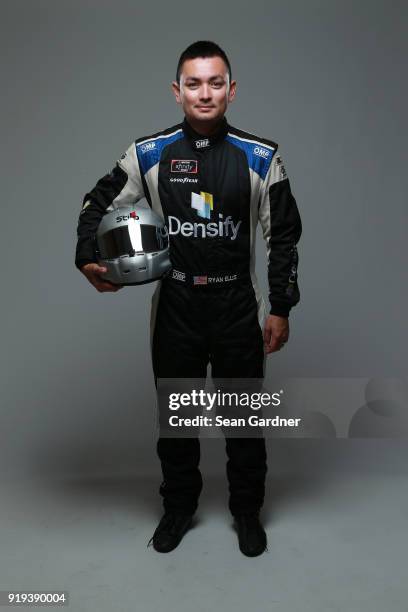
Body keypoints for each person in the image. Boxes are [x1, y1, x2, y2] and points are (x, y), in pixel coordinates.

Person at [75, 41, 302, 557]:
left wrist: (281, 307)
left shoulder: (261, 156)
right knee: (176, 419)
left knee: (243, 419)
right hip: (175, 305)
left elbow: (284, 234)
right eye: (194, 83)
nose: (206, 93)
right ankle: (178, 508)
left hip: (236, 306)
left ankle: (247, 511)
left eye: (216, 82)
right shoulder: (148, 154)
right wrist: (87, 257)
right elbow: (96, 204)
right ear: (177, 92)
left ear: (232, 90)